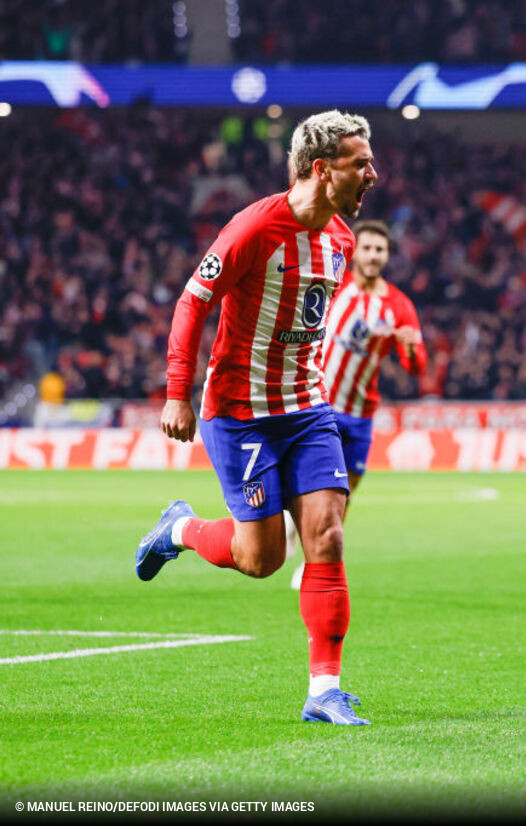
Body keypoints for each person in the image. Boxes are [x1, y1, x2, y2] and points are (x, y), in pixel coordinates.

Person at [134, 109, 378, 726]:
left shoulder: (342, 240)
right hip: (240, 414)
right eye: (360, 163)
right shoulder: (251, 230)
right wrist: (176, 392)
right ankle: (181, 529)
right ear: (322, 170)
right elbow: (192, 303)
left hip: (307, 410)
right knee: (260, 559)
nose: (372, 173)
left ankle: (324, 691)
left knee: (327, 535)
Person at [286, 219, 428, 589]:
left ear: (387, 256)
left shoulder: (398, 306)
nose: (372, 255)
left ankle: (311, 555)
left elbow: (417, 366)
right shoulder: (335, 289)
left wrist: (410, 344)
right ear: (355, 253)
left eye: (379, 249)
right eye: (366, 248)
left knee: (344, 495)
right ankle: (309, 555)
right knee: (320, 488)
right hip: (321, 405)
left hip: (362, 415)